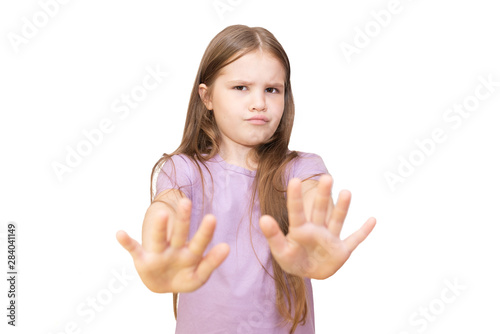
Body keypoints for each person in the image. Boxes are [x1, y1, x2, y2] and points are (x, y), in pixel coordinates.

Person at [116, 24, 376, 334]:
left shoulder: (300, 168)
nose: (259, 103)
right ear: (207, 96)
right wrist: (158, 249)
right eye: (241, 87)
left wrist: (315, 235)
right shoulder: (184, 170)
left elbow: (311, 197)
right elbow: (166, 208)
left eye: (272, 89)